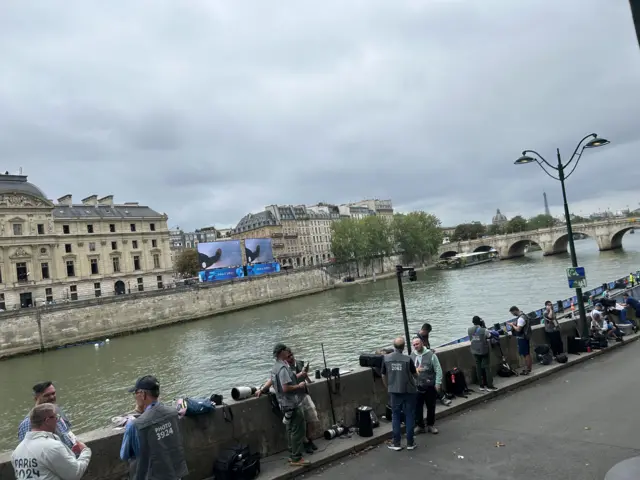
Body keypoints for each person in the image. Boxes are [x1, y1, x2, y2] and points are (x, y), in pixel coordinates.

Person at [120, 375, 188, 479]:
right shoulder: (173, 413)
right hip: (175, 474)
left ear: (143, 394)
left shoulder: (134, 425)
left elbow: (124, 455)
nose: (135, 397)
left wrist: (138, 412)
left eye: (135, 393)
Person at [256, 347, 319, 454]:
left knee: (311, 418)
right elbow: (274, 380)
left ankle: (308, 441)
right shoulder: (283, 368)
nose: (291, 358)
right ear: (284, 356)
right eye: (288, 356)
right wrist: (262, 389)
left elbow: (306, 379)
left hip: (302, 395)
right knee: (298, 425)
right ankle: (302, 446)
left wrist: (305, 376)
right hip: (293, 400)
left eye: (291, 355)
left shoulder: (298, 364)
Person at [12, 403, 91, 480]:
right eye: (55, 417)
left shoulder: (16, 453)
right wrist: (85, 451)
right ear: (47, 420)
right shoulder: (52, 447)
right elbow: (75, 474)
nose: (57, 421)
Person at [270, 343, 310, 466]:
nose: (288, 352)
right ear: (281, 353)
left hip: (283, 403)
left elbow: (287, 381)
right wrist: (300, 385)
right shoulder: (282, 368)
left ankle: (293, 454)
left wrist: (301, 375)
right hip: (291, 403)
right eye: (285, 350)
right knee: (298, 429)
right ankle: (296, 458)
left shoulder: (275, 367)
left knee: (290, 429)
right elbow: (286, 387)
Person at [18, 381, 77, 452]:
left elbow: (68, 433)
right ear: (36, 398)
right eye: (46, 395)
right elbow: (27, 451)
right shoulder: (28, 423)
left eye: (53, 393)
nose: (52, 397)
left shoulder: (58, 412)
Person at [382, 337, 417, 451]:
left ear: (394, 346)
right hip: (408, 391)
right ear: (403, 347)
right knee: (409, 415)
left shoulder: (386, 358)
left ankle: (396, 443)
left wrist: (388, 386)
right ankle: (410, 443)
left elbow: (383, 374)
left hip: (394, 391)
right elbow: (415, 375)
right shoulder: (407, 359)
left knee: (395, 416)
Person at [410, 337, 443, 435]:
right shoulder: (411, 356)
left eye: (417, 344)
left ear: (422, 344)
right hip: (417, 386)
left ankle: (430, 425)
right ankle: (420, 426)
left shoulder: (431, 355)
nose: (416, 346)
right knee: (417, 407)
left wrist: (438, 383)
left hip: (429, 385)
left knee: (431, 406)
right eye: (414, 344)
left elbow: (438, 369)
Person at [468, 316, 499, 392]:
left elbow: (472, 338)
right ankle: (489, 386)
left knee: (478, 367)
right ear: (480, 322)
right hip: (483, 351)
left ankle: (481, 386)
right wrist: (484, 326)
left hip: (474, 350)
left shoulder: (469, 330)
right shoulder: (484, 330)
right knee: (486, 367)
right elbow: (489, 336)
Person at [508, 306, 532, 375]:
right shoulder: (524, 316)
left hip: (522, 338)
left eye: (512, 313)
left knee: (525, 354)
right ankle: (529, 368)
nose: (513, 314)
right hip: (525, 337)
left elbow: (518, 329)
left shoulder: (521, 318)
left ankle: (527, 369)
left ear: (514, 311)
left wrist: (512, 325)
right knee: (527, 353)